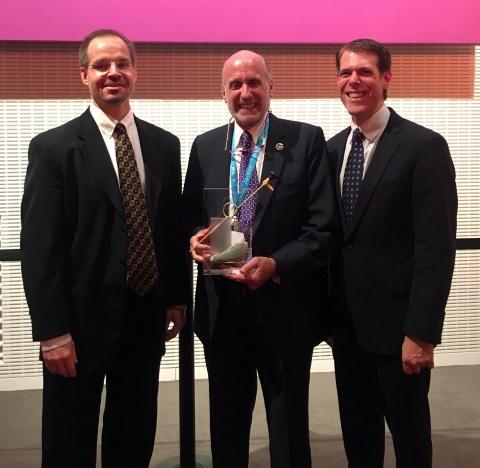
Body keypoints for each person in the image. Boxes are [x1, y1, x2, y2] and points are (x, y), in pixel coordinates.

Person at [21, 29, 189, 468]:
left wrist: (174, 298)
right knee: (68, 441)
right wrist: (52, 332)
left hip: (144, 318)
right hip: (77, 327)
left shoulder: (164, 145)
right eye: (101, 65)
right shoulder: (53, 149)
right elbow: (40, 248)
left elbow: (169, 229)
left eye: (121, 63)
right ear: (84, 75)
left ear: (134, 70)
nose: (113, 72)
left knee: (133, 436)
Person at [183, 49, 339, 468]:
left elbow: (322, 229)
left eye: (254, 83)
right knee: (227, 429)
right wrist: (194, 240)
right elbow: (188, 219)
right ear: (223, 92)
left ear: (272, 87)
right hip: (222, 312)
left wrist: (277, 264)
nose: (245, 92)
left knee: (289, 431)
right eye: (236, 85)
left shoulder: (306, 141)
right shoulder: (205, 147)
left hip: (284, 312)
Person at [327, 38, 457, 468]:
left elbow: (435, 249)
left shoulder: (423, 147)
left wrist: (421, 334)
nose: (354, 80)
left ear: (386, 78)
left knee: (410, 441)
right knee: (359, 440)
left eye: (364, 71)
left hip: (399, 333)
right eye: (346, 72)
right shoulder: (331, 151)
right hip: (346, 331)